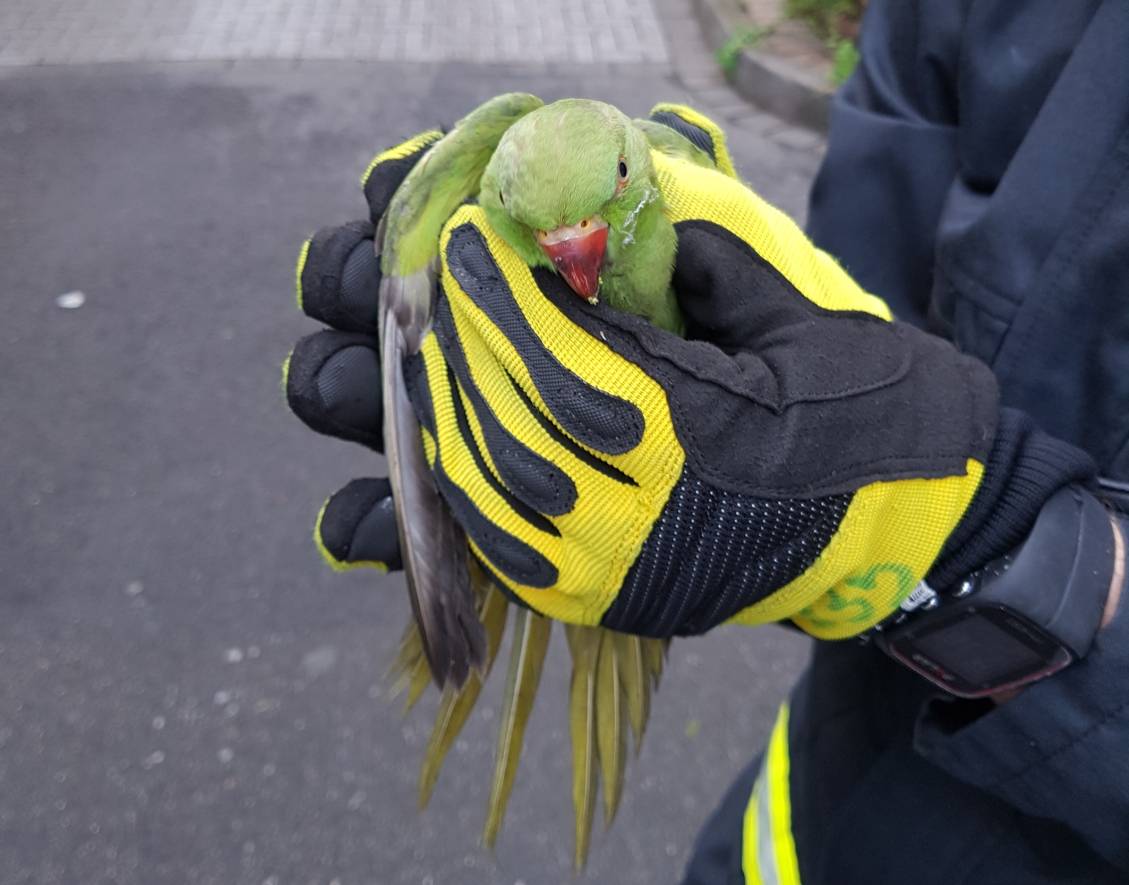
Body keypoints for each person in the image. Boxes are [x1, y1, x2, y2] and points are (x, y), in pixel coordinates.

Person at [284, 2, 1129, 880]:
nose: (578, 253)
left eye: (603, 204)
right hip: (821, 781)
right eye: (546, 231)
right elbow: (861, 250)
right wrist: (800, 403)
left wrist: (983, 545)